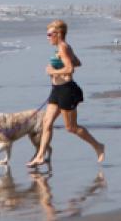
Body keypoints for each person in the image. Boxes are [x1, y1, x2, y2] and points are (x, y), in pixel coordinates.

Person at [27, 19, 105, 168]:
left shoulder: (63, 47)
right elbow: (77, 62)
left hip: (66, 91)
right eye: (47, 34)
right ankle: (40, 156)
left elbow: (70, 69)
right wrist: (58, 65)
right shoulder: (62, 48)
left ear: (58, 34)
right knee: (46, 123)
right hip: (56, 90)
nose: (47, 37)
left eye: (50, 34)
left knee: (71, 128)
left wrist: (53, 71)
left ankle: (98, 146)